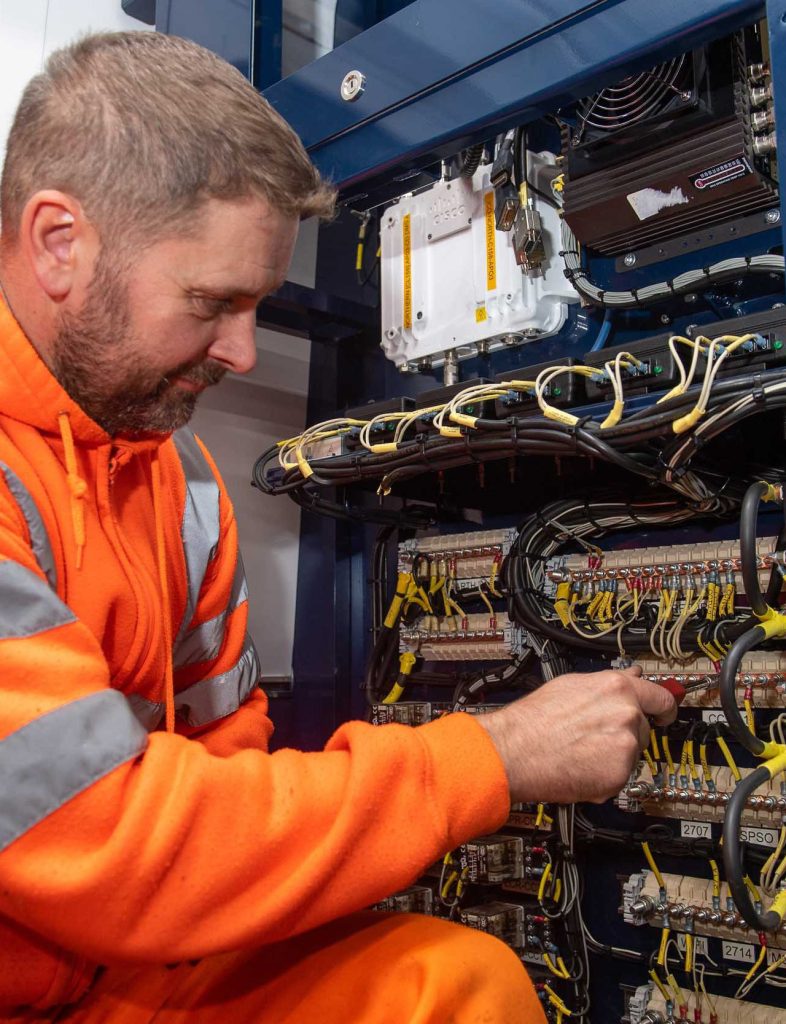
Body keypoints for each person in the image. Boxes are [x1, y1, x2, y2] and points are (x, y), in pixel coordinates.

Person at [0, 31, 676, 1024]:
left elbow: (227, 777)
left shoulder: (174, 475)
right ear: (61, 242)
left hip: (136, 967)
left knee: (455, 988)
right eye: (212, 303)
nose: (239, 351)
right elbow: (109, 842)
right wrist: (490, 758)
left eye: (258, 306)